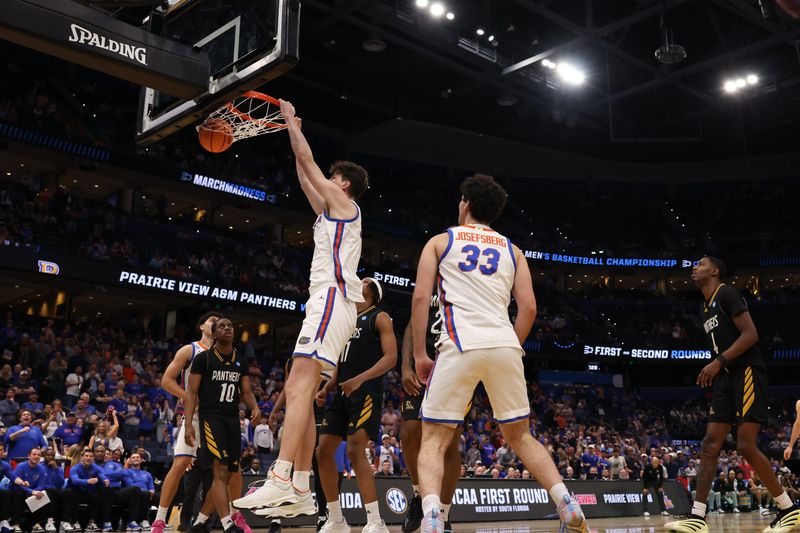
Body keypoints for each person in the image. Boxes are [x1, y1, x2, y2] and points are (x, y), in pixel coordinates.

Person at [410, 173, 588, 533]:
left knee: (434, 438)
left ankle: (432, 515)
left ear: (467, 204)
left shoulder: (440, 241)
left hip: (460, 343)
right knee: (521, 436)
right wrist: (512, 346)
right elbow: (529, 308)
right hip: (504, 345)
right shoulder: (513, 249)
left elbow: (418, 298)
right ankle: (566, 503)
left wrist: (419, 355)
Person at [233, 101, 369, 513]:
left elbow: (310, 163)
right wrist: (294, 140)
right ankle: (303, 489)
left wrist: (290, 120)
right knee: (302, 393)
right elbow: (304, 170)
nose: (326, 181)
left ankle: (280, 476)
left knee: (296, 386)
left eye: (333, 178)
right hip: (326, 302)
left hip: (332, 297)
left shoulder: (346, 207)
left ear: (344, 185)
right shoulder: (329, 212)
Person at [666, 256, 800, 533]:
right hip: (725, 380)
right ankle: (698, 517)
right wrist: (719, 367)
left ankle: (788, 509)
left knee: (744, 444)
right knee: (709, 445)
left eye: (701, 264)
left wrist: (718, 362)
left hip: (747, 371)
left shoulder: (726, 293)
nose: (695, 267)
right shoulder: (704, 307)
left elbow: (751, 335)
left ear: (715, 271)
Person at [148, 312, 248, 533]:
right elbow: (166, 380)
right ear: (202, 326)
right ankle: (160, 519)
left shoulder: (230, 355)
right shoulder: (190, 350)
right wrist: (187, 397)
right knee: (180, 464)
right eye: (213, 321)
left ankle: (212, 518)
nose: (217, 324)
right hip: (194, 416)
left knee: (231, 471)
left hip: (218, 418)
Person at [313, 278, 396, 533]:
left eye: (364, 282)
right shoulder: (347, 319)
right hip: (341, 391)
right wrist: (326, 387)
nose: (359, 282)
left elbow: (391, 358)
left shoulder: (379, 317)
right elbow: (340, 360)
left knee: (355, 450)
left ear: (372, 293)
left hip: (366, 391)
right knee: (323, 451)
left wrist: (360, 380)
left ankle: (375, 520)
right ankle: (336, 518)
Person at [184, 318, 260, 533]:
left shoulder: (241, 361)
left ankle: (199, 523)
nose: (227, 328)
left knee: (226, 475)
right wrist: (189, 424)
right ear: (214, 334)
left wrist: (255, 407)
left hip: (232, 419)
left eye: (230, 326)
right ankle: (228, 524)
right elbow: (191, 393)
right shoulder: (203, 359)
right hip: (211, 418)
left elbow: (245, 392)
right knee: (220, 471)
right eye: (222, 327)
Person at [400, 294, 464, 533]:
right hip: (422, 366)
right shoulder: (429, 287)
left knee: (450, 442)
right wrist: (406, 366)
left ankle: (444, 514)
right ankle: (419, 497)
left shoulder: (468, 286)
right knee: (409, 433)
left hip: (455, 369)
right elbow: (410, 327)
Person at [94, 445, 140, 531]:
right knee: (107, 489)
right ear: (94, 453)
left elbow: (123, 474)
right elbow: (98, 477)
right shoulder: (93, 465)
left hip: (117, 491)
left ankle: (131, 521)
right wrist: (114, 476)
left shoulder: (113, 464)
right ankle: (106, 522)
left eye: (102, 452)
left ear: (105, 454)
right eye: (97, 451)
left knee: (135, 489)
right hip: (102, 491)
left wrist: (106, 476)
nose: (100, 453)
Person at [69, 448, 112, 531]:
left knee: (96, 496)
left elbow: (102, 475)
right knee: (73, 495)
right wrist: (87, 481)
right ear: (82, 457)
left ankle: (91, 522)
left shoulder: (96, 468)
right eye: (86, 456)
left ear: (93, 458)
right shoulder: (75, 468)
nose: (88, 458)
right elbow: (75, 481)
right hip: (75, 491)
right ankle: (74, 521)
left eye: (90, 456)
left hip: (88, 492)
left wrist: (105, 480)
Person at [10, 447, 52, 532]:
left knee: (45, 494)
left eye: (39, 455)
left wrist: (36, 492)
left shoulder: (41, 469)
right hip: (19, 493)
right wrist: (31, 492)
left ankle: (37, 524)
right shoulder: (20, 466)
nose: (36, 456)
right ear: (28, 456)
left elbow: (42, 484)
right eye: (34, 454)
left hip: (32, 493)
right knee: (20, 492)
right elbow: (17, 484)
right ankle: (15, 524)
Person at [42, 447, 78, 531]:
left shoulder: (58, 468)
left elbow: (60, 483)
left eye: (52, 455)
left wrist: (56, 469)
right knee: (53, 491)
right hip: (43, 491)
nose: (50, 457)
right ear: (44, 456)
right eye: (48, 455)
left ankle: (65, 521)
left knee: (68, 492)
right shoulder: (40, 467)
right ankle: (49, 521)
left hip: (55, 491)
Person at [127, 452, 159, 529]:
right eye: (133, 457)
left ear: (141, 460)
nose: (136, 458)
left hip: (146, 493)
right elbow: (128, 485)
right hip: (133, 493)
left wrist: (152, 491)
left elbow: (151, 486)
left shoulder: (147, 474)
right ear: (130, 461)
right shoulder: (127, 471)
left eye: (138, 457)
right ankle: (142, 520)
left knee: (160, 495)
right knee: (144, 493)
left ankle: (161, 521)